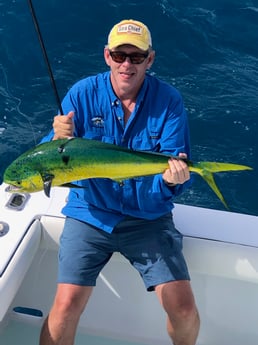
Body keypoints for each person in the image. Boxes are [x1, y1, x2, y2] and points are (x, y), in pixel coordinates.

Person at [39, 19, 200, 345]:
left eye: (136, 57)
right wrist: (56, 138)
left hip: (147, 218)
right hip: (91, 212)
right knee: (65, 304)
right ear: (107, 56)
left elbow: (173, 173)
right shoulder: (82, 93)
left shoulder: (169, 101)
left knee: (182, 309)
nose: (127, 63)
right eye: (119, 55)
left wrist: (170, 182)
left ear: (149, 59)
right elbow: (52, 160)